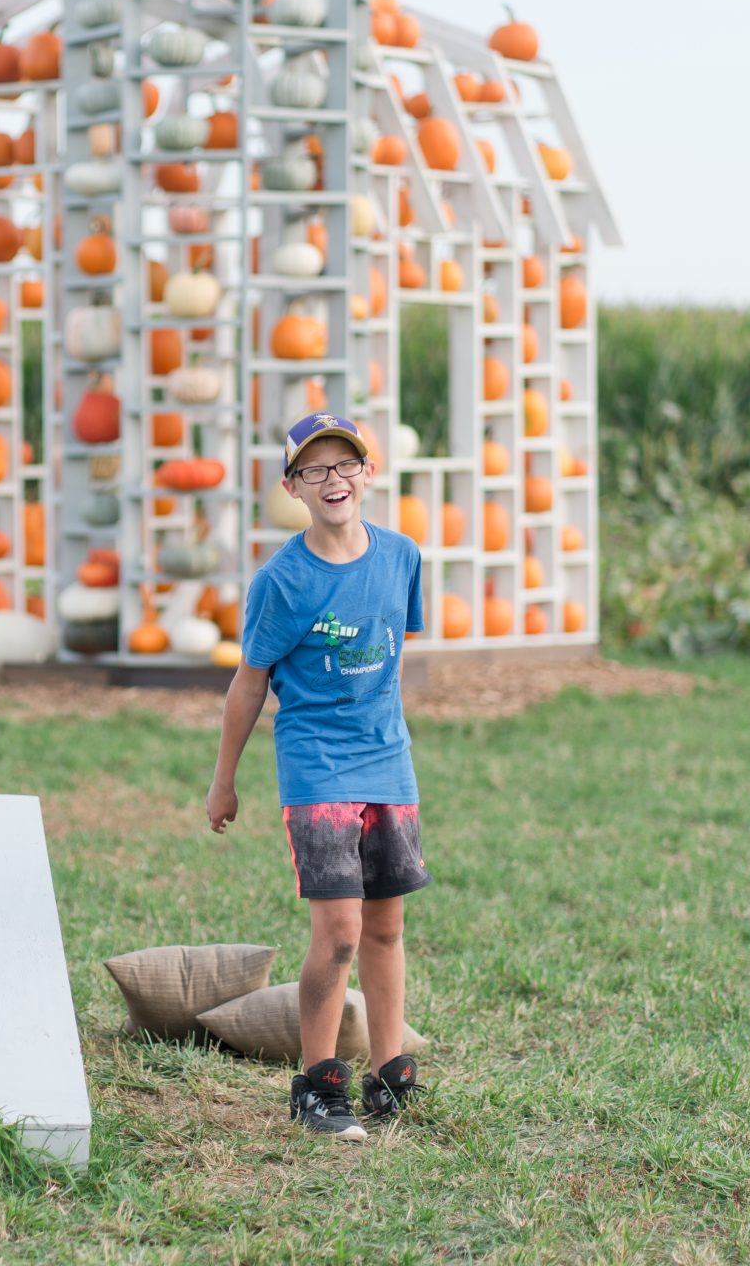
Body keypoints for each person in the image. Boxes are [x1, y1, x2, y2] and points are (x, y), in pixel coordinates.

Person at [205, 412, 431, 1139]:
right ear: (291, 487)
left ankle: (390, 1074)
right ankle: (318, 1083)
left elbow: (394, 653)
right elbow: (248, 684)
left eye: (345, 465)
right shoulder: (282, 582)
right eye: (314, 470)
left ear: (369, 472)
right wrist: (224, 781)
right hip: (317, 769)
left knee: (386, 928)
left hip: (387, 763)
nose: (332, 480)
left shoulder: (401, 557)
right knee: (338, 931)